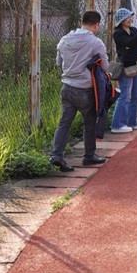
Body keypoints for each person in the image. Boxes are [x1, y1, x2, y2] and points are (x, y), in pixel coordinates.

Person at [51, 10, 108, 171]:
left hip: (67, 87)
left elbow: (58, 63)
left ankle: (56, 155)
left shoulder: (64, 40)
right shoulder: (95, 43)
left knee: (64, 123)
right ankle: (88, 156)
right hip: (85, 89)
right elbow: (105, 66)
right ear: (96, 25)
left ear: (81, 21)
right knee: (89, 123)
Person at [110, 7, 137, 134]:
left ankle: (131, 121)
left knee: (135, 94)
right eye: (127, 17)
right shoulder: (118, 33)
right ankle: (117, 124)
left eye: (130, 17)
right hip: (125, 66)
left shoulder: (133, 30)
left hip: (135, 65)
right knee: (125, 95)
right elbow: (131, 43)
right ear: (121, 20)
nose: (130, 19)